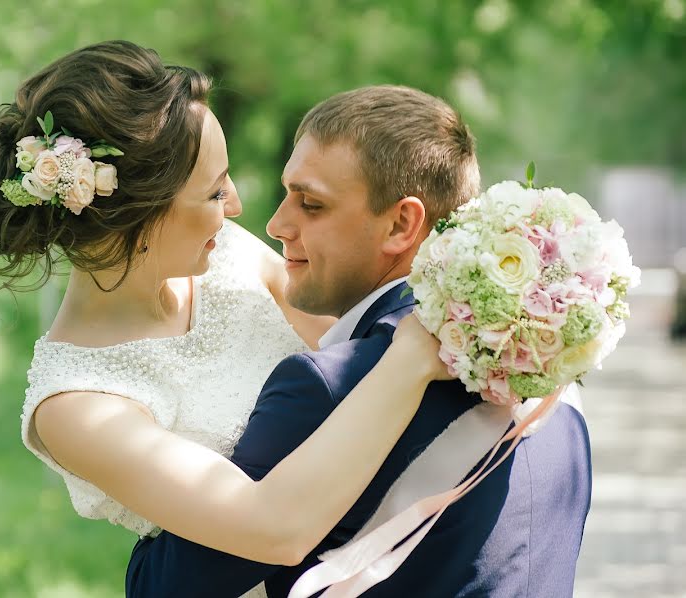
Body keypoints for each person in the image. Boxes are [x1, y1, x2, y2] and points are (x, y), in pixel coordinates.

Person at [0, 41, 449, 598]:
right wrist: (413, 356)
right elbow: (275, 529)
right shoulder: (77, 405)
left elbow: (355, 353)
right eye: (215, 192)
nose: (238, 206)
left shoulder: (230, 257)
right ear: (137, 216)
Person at [125, 86, 592, 597]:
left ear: (401, 223)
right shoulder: (549, 372)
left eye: (311, 204)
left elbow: (161, 588)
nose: (277, 223)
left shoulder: (328, 386)